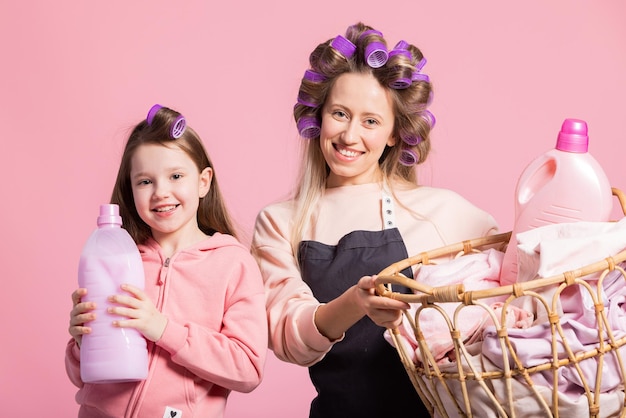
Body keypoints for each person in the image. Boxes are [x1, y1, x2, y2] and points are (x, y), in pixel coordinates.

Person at [251, 22, 499, 417]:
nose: (350, 135)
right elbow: (289, 340)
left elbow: (523, 271)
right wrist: (356, 302)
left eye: (370, 121)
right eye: (340, 113)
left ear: (394, 135)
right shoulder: (282, 222)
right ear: (319, 118)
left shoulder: (440, 211)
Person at [66, 104, 267, 417]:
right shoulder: (118, 256)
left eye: (175, 176)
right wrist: (82, 344)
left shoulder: (233, 264)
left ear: (203, 181)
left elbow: (247, 368)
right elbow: (81, 378)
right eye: (145, 181)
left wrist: (162, 329)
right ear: (130, 190)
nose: (161, 192)